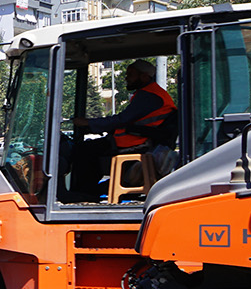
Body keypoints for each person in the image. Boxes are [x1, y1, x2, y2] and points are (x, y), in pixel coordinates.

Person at [66, 59, 177, 201]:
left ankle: (85, 194)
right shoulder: (152, 93)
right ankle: (90, 191)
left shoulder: (149, 96)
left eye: (131, 74)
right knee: (90, 148)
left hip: (136, 143)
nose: (126, 78)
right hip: (137, 140)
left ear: (144, 77)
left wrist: (88, 123)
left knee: (83, 150)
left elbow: (121, 120)